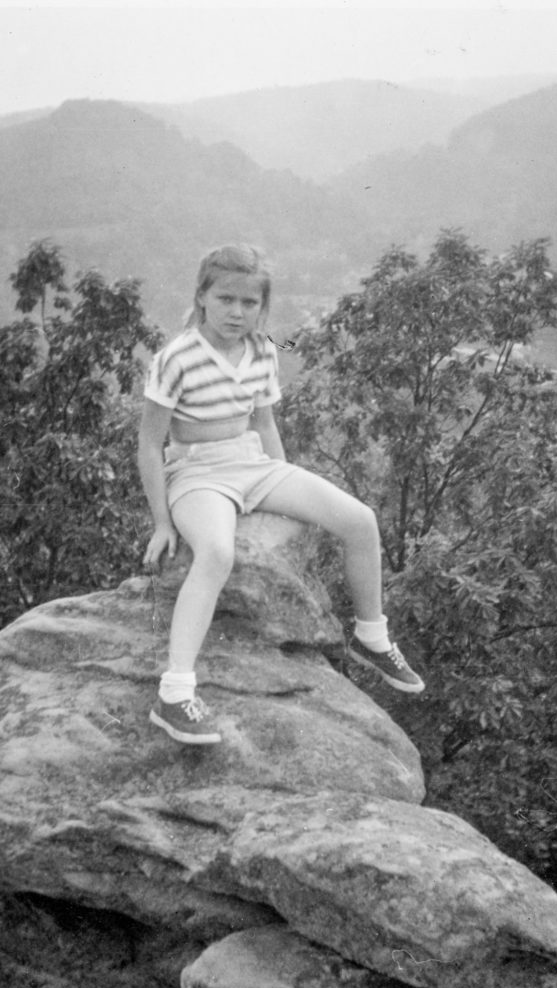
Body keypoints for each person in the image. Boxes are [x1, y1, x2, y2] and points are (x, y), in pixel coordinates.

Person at [138, 243, 424, 745]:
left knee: (360, 520)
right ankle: (175, 692)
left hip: (253, 462)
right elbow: (148, 444)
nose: (237, 312)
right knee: (217, 552)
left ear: (262, 308)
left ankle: (371, 635)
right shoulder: (176, 357)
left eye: (249, 303)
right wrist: (162, 522)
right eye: (225, 299)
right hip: (198, 474)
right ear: (202, 296)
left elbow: (266, 423)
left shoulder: (264, 349)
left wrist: (285, 484)